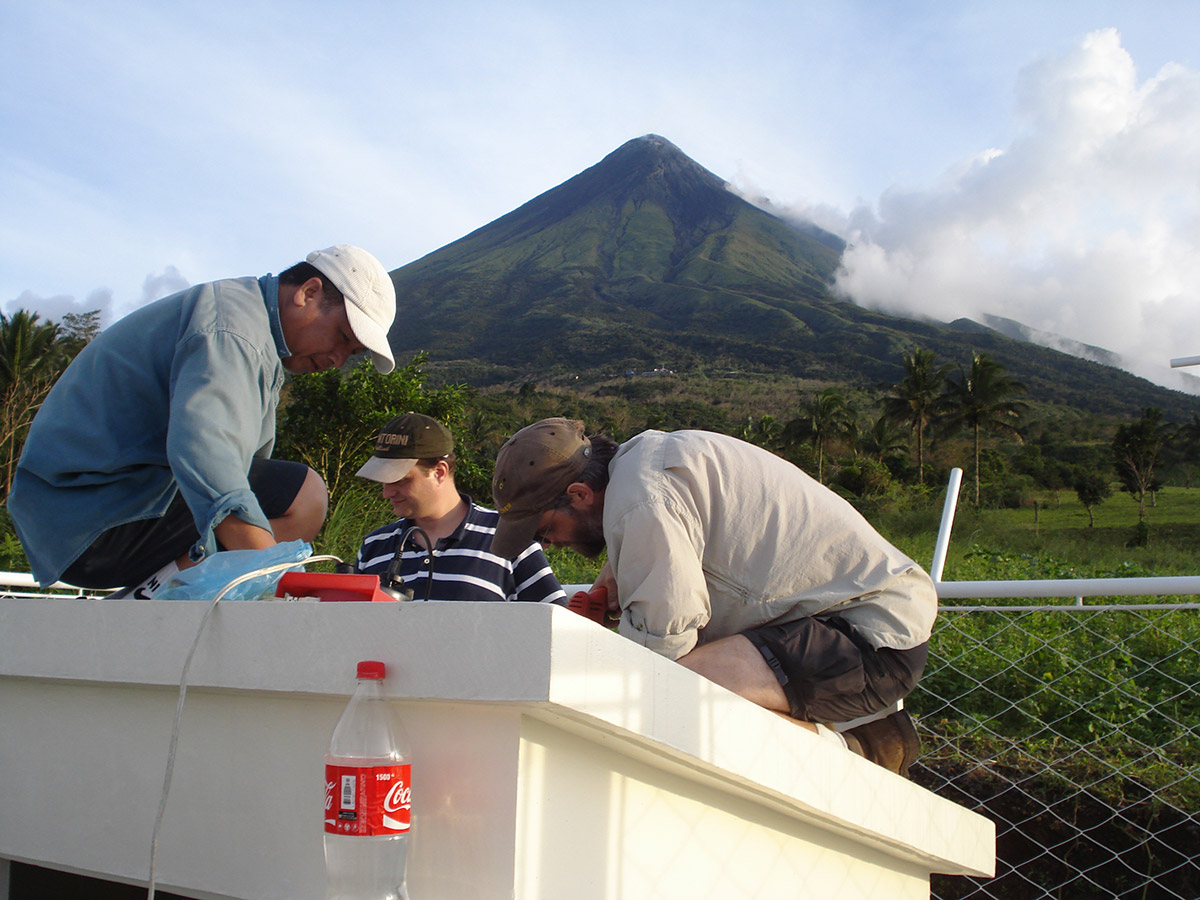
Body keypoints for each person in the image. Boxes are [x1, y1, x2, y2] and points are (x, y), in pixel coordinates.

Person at [489, 418, 938, 776]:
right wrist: (610, 590)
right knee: (661, 686)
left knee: (664, 695)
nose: (547, 544)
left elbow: (662, 646)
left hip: (868, 636)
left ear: (580, 494)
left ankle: (861, 749)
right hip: (851, 621)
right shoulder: (644, 466)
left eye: (544, 529)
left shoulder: (642, 503)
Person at [9, 244, 396, 596]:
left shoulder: (256, 335)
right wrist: (276, 583)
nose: (338, 360)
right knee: (304, 496)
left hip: (89, 514)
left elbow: (248, 470)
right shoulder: (233, 330)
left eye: (353, 352)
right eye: (343, 336)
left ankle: (156, 591)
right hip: (91, 517)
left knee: (274, 494)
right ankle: (163, 595)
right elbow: (206, 454)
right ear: (308, 293)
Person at [353, 413, 566, 605]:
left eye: (399, 480)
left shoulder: (508, 538)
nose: (387, 493)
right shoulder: (373, 546)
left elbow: (557, 624)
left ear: (439, 472)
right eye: (383, 481)